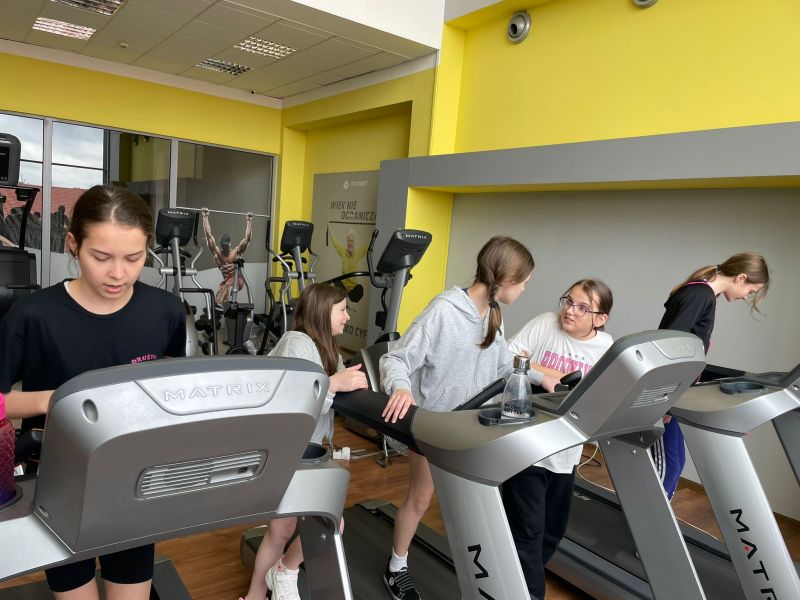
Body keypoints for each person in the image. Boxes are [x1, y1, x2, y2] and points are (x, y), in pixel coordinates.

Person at [0, 185, 186, 600]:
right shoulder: (33, 315)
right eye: (101, 257)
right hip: (57, 486)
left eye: (133, 258)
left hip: (134, 483)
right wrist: (54, 401)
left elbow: (176, 389)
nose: (118, 273)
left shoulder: (165, 310)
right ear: (73, 244)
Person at [378, 235, 537, 600]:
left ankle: (478, 573)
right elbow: (396, 359)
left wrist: (540, 377)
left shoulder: (493, 313)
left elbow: (503, 366)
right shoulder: (444, 312)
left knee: (471, 504)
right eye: (524, 282)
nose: (525, 289)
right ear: (506, 279)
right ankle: (396, 567)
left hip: (471, 430)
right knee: (421, 499)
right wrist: (401, 388)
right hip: (435, 428)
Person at [241, 283, 368, 600]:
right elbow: (295, 401)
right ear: (324, 312)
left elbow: (337, 383)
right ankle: (282, 573)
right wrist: (335, 383)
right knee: (326, 523)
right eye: (343, 309)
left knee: (289, 528)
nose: (347, 316)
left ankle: (269, 583)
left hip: (305, 450)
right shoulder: (297, 343)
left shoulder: (328, 348)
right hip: (286, 449)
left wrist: (350, 384)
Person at [504, 278, 614, 600]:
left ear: (600, 319)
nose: (570, 311)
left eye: (582, 308)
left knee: (552, 533)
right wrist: (545, 376)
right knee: (528, 531)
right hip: (526, 443)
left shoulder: (606, 348)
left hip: (565, 453)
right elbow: (506, 357)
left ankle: (511, 583)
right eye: (568, 301)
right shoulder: (545, 324)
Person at [651, 252, 769, 500]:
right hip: (667, 396)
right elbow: (668, 350)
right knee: (668, 465)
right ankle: (646, 518)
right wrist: (666, 402)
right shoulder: (699, 295)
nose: (746, 296)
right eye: (750, 291)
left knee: (676, 462)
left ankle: (652, 517)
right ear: (741, 278)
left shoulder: (705, 296)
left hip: (677, 394)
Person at [201, 208, 254, 305]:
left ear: (230, 244)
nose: (225, 248)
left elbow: (247, 239)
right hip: (226, 281)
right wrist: (205, 217)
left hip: (237, 280)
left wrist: (249, 221)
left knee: (228, 285)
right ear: (220, 245)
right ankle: (216, 308)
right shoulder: (217, 254)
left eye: (226, 246)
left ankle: (221, 305)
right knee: (217, 296)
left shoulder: (236, 252)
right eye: (223, 246)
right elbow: (208, 235)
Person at [328, 223, 369, 302]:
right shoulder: (343, 252)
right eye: (348, 241)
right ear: (347, 242)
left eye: (352, 241)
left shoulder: (358, 253)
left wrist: (375, 233)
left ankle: (346, 296)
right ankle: (343, 297)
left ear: (354, 242)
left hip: (353, 288)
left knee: (360, 289)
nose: (350, 243)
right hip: (343, 285)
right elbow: (335, 243)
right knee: (336, 281)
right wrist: (329, 227)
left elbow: (367, 246)